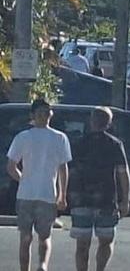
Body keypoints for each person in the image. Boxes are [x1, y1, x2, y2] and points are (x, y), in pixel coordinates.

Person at [6, 99, 72, 271]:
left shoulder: (23, 137)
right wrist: (62, 195)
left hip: (26, 195)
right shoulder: (60, 138)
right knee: (45, 236)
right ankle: (42, 265)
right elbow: (63, 169)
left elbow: (11, 166)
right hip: (47, 194)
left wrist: (23, 179)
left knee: (25, 237)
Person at [68, 106, 130, 271]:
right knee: (106, 240)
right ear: (109, 123)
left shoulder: (78, 143)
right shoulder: (115, 144)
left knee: (82, 244)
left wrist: (65, 195)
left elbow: (68, 171)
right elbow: (123, 173)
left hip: (81, 199)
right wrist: (125, 200)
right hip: (106, 200)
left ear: (91, 121)